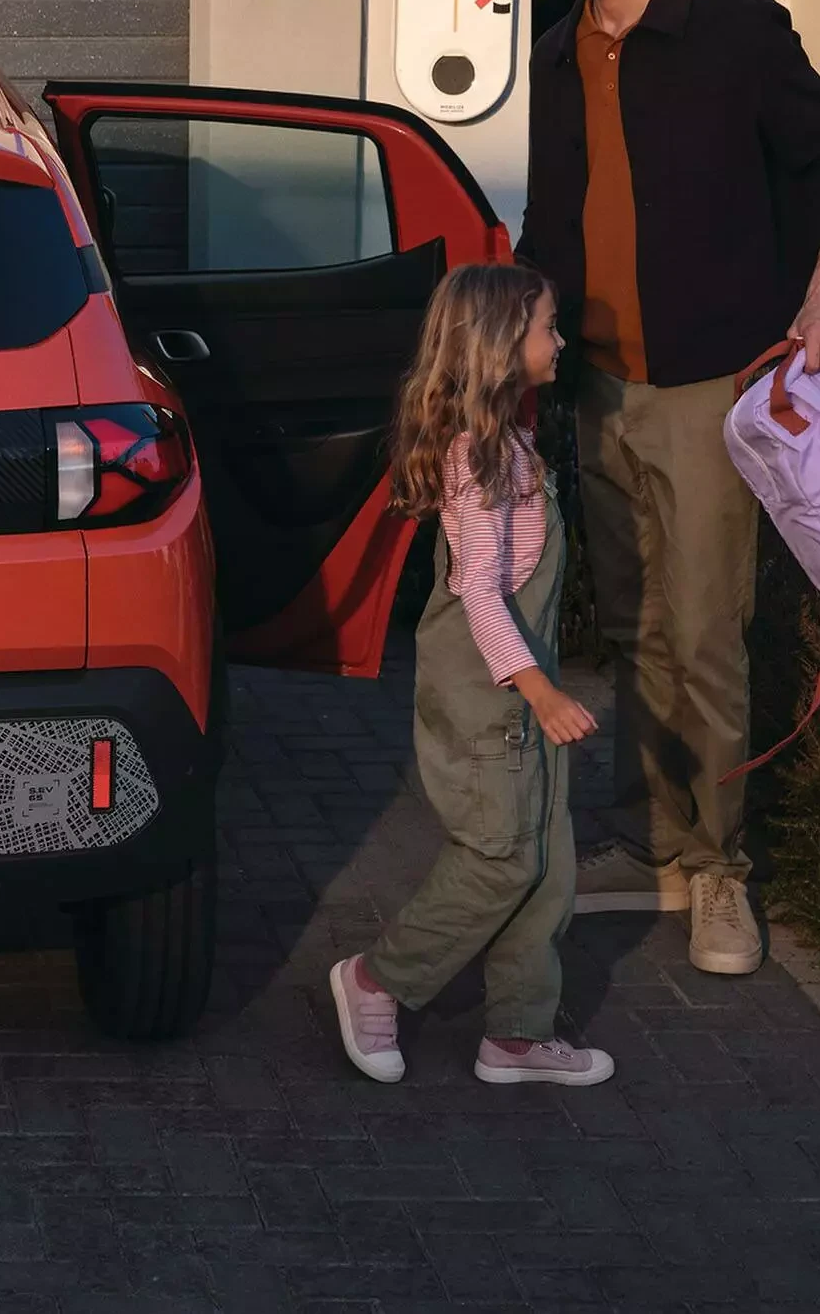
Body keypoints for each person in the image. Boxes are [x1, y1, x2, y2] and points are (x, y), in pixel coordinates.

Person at [519, 0, 820, 976]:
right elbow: (551, 218)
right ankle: (654, 838)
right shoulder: (557, 50)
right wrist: (515, 352)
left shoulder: (738, 33)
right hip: (599, 388)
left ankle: (722, 872)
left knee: (707, 633)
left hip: (711, 387)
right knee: (633, 630)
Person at [329, 264, 614, 1088]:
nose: (560, 341)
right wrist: (541, 690)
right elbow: (483, 595)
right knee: (500, 857)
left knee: (547, 858)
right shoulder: (478, 460)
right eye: (547, 327)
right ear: (500, 346)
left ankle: (518, 1033)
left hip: (518, 683)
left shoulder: (508, 443)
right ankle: (378, 979)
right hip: (492, 690)